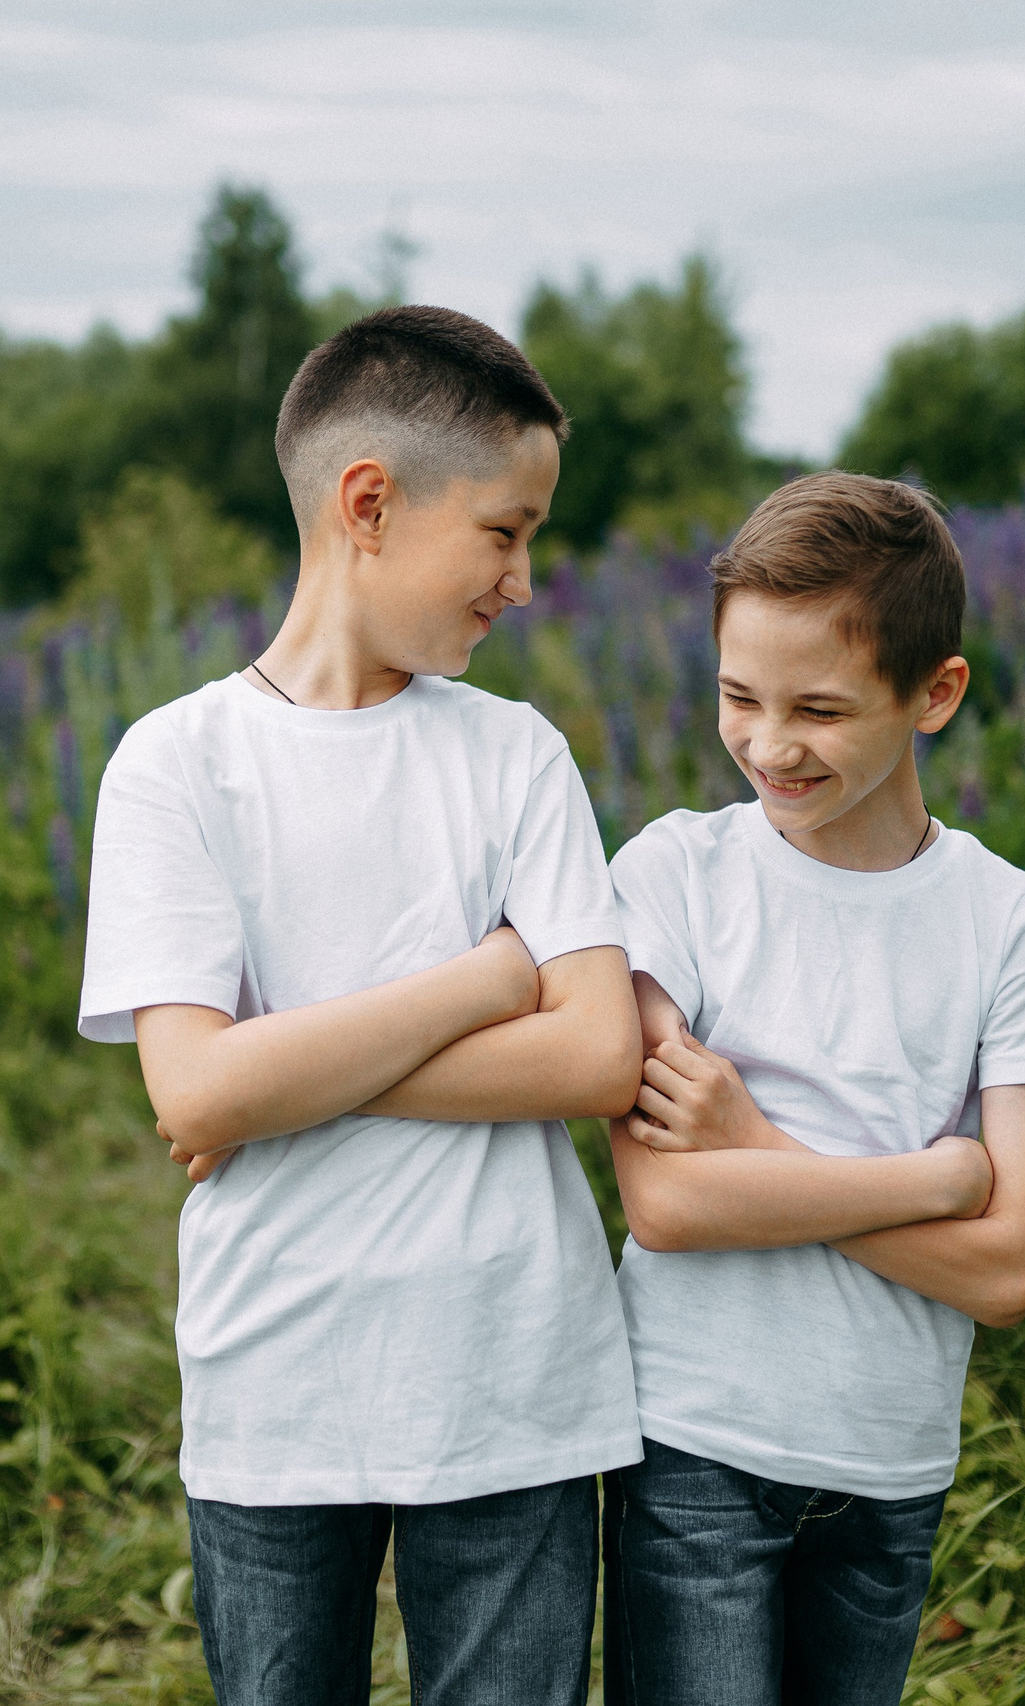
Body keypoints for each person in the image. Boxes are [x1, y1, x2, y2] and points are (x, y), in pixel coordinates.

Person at [77, 305, 644, 1706]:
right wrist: (490, 977)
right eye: (505, 532)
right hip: (277, 1381)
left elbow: (597, 1052)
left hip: (513, 1374)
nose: (525, 582)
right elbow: (196, 1095)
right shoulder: (176, 764)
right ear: (370, 503)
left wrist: (280, 1071)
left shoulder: (516, 753)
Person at [602, 473, 1025, 1706]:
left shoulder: (1012, 925)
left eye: (820, 709)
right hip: (693, 1445)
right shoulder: (673, 876)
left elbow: (1007, 1270)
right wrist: (935, 1179)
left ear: (934, 692)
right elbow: (668, 1205)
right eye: (738, 695)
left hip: (890, 1465)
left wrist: (752, 1138)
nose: (768, 744)